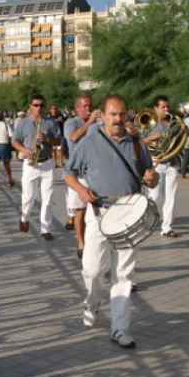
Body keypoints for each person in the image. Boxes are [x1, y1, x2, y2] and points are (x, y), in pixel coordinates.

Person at [65, 94, 159, 348]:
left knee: (123, 274)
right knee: (93, 269)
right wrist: (83, 192)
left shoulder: (137, 143)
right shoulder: (90, 141)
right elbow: (69, 173)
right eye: (113, 114)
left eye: (121, 114)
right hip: (99, 211)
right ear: (103, 115)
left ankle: (119, 328)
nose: (118, 119)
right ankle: (92, 301)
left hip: (129, 213)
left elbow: (150, 175)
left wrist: (151, 178)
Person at [12, 94, 62, 240]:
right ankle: (24, 218)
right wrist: (24, 150)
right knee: (28, 197)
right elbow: (15, 141)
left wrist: (47, 139)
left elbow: (58, 140)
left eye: (41, 105)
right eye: (35, 105)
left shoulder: (50, 122)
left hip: (47, 163)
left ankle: (45, 229)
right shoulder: (23, 122)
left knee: (47, 198)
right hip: (30, 163)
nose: (38, 108)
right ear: (30, 106)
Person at [63, 94, 103, 259]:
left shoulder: (96, 123)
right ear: (77, 108)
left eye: (90, 106)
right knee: (79, 210)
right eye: (85, 106)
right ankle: (81, 242)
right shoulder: (71, 123)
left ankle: (96, 242)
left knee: (96, 210)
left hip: (94, 172)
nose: (89, 109)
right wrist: (89, 122)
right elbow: (73, 137)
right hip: (77, 174)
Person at [144, 96, 182, 237]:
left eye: (167, 107)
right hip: (156, 163)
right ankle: (147, 221)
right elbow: (141, 142)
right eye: (163, 107)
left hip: (172, 162)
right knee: (155, 195)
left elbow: (181, 139)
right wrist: (152, 138)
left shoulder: (174, 123)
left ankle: (167, 228)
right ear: (156, 108)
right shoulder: (148, 124)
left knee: (170, 197)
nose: (166, 110)